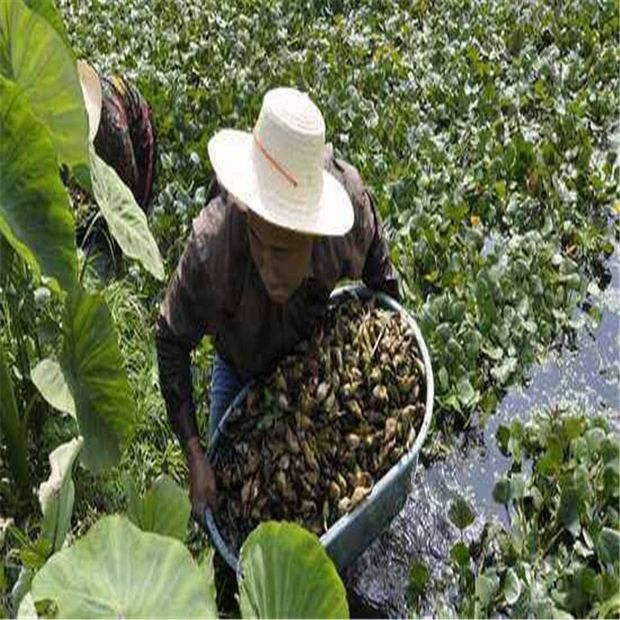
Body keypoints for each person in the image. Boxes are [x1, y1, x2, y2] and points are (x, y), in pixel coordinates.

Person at [155, 87, 400, 519]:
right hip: (241, 364)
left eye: (284, 252)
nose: (269, 267)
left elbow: (379, 265)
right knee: (232, 503)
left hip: (317, 350)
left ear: (313, 233)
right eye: (259, 246)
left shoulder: (347, 217)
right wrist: (194, 455)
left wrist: (392, 357)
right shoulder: (213, 249)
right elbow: (170, 341)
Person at [77, 60, 156, 212]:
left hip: (139, 127)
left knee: (137, 204)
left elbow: (127, 190)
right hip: (112, 105)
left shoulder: (114, 131)